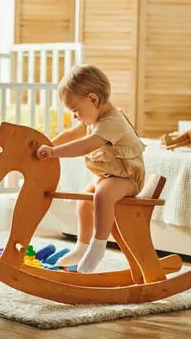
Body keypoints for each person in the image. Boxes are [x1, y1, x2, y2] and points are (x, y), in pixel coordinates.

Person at [36, 64, 146, 273]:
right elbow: (72, 134)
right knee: (84, 202)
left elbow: (85, 145)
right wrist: (50, 145)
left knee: (102, 195)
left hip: (128, 178)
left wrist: (54, 153)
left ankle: (98, 247)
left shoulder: (112, 122)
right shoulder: (93, 118)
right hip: (108, 176)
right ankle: (82, 246)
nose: (75, 116)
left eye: (76, 110)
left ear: (93, 99)